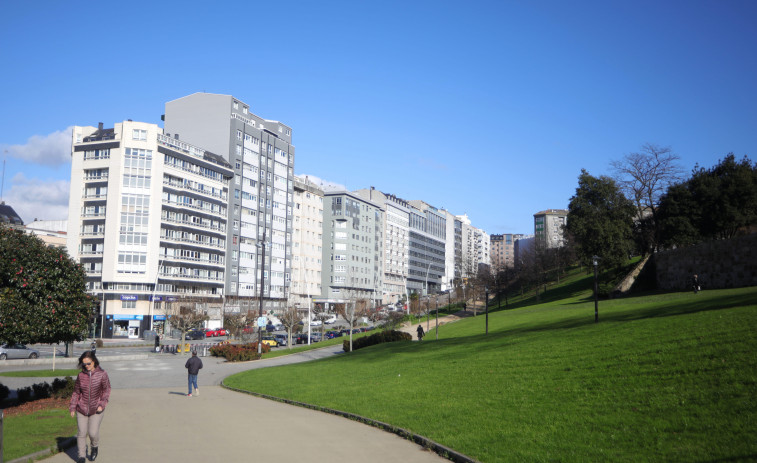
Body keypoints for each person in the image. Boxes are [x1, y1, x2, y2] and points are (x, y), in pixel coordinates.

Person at [70, 351, 110, 463]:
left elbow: (107, 390)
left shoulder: (102, 374)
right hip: (81, 409)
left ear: (94, 361)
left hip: (96, 409)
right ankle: (81, 457)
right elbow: (76, 392)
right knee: (81, 433)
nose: (86, 366)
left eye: (89, 363)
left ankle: (94, 447)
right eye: (84, 364)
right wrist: (73, 406)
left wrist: (102, 404)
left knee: (92, 433)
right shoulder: (81, 375)